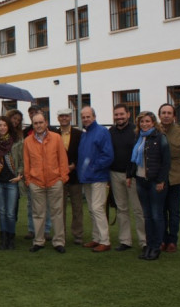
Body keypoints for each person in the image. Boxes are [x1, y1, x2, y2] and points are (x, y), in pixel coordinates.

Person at [24, 112, 69, 253]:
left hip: (55, 180)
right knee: (38, 213)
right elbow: (27, 162)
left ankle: (59, 242)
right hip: (36, 182)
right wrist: (28, 180)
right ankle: (38, 241)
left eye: (40, 122)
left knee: (57, 213)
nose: (38, 125)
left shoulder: (56, 138)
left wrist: (63, 177)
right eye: (35, 123)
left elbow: (63, 159)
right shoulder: (28, 141)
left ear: (46, 123)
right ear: (33, 124)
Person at [130, 111, 171, 260]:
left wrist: (161, 181)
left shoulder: (160, 138)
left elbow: (166, 162)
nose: (144, 124)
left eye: (147, 121)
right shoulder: (139, 138)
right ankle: (149, 245)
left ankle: (156, 247)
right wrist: (130, 175)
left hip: (155, 182)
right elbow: (133, 160)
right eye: (142, 122)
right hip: (141, 181)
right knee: (147, 216)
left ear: (153, 123)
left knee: (156, 215)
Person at [109, 104, 146, 251]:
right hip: (115, 174)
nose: (119, 117)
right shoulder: (110, 132)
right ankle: (125, 240)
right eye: (116, 115)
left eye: (121, 114)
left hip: (133, 176)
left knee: (138, 209)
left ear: (128, 115)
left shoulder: (136, 131)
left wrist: (131, 173)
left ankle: (144, 241)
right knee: (121, 209)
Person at [78, 106, 114, 252]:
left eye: (88, 116)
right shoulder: (85, 133)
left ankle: (105, 240)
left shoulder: (102, 132)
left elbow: (108, 155)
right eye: (83, 117)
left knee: (97, 208)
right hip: (86, 177)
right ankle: (96, 238)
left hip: (98, 176)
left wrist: (94, 167)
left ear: (94, 116)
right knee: (92, 209)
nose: (86, 119)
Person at [0, 116, 23, 250]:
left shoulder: (16, 142)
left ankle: (11, 237)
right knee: (2, 212)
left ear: (8, 126)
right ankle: (3, 239)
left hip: (12, 182)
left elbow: (22, 161)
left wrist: (19, 176)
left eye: (4, 125)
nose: (2, 128)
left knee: (10, 213)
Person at [55, 108, 84, 245]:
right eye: (61, 116)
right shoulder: (53, 134)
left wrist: (75, 165)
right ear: (58, 118)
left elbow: (83, 153)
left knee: (77, 207)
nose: (64, 118)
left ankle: (78, 235)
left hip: (75, 175)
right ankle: (61, 234)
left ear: (71, 117)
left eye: (66, 116)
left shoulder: (79, 134)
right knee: (60, 208)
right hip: (59, 176)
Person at [158, 103, 180, 252]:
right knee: (160, 211)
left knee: (174, 211)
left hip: (176, 177)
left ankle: (172, 240)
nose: (166, 115)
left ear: (174, 116)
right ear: (159, 115)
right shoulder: (154, 131)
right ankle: (161, 239)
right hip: (159, 177)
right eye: (163, 113)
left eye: (169, 113)